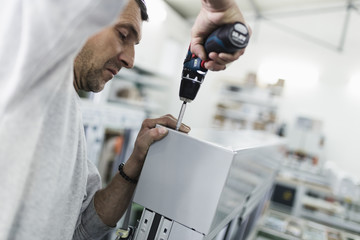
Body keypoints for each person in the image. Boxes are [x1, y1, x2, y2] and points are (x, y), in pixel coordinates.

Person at [0, 0, 249, 239]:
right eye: (122, 35)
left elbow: (83, 228)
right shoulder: (26, 69)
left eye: (135, 45)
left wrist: (136, 161)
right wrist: (217, 6)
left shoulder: (69, 113)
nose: (130, 60)